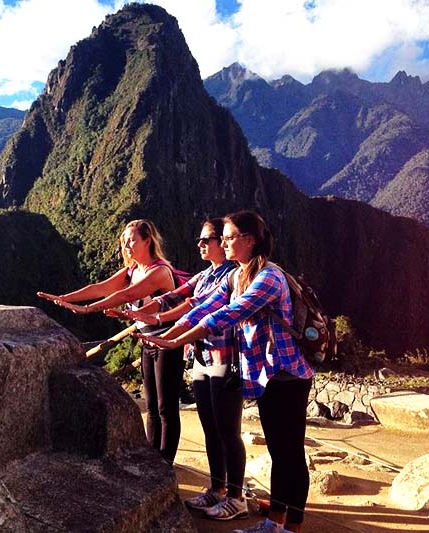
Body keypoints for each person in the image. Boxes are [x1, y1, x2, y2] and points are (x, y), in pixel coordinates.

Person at [135, 211, 314, 533]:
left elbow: (229, 314)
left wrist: (175, 340)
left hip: (287, 376)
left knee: (289, 452)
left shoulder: (268, 277)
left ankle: (291, 527)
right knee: (277, 449)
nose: (225, 242)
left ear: (249, 240)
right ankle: (275, 523)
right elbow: (205, 306)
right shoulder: (237, 276)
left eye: (229, 237)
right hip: (266, 376)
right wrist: (168, 332)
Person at [107, 218, 246, 520]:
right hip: (202, 357)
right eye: (201, 239)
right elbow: (173, 298)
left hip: (226, 358)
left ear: (221, 242)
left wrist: (162, 329)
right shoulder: (205, 275)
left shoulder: (234, 276)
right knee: (210, 428)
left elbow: (198, 310)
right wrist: (133, 313)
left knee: (228, 430)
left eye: (207, 239)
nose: (200, 244)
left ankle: (236, 497)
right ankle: (217, 488)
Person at [37, 219, 185, 463]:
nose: (126, 245)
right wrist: (65, 298)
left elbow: (125, 295)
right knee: (152, 406)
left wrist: (87, 310)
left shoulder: (159, 272)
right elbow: (101, 288)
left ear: (147, 241)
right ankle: (152, 457)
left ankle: (165, 462)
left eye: (132, 240)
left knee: (165, 407)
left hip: (168, 341)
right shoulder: (132, 270)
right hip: (147, 342)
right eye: (124, 241)